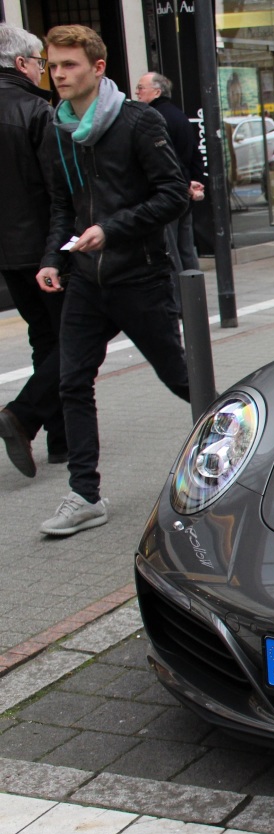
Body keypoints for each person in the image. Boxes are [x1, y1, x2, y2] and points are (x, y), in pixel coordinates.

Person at [36, 24, 189, 536]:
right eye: (53, 65)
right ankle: (84, 495)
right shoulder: (57, 128)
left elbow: (171, 193)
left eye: (69, 65)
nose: (59, 74)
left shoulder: (136, 121)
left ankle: (252, 455)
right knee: (71, 381)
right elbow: (63, 206)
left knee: (182, 378)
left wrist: (112, 229)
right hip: (85, 280)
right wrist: (52, 258)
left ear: (97, 68)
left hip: (139, 276)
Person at [0, 22, 66, 479]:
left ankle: (61, 441)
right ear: (22, 63)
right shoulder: (37, 111)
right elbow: (57, 191)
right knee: (77, 340)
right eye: (42, 62)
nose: (46, 71)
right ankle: (22, 415)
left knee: (45, 338)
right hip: (45, 250)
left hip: (7, 255)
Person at [134, 71, 203, 305]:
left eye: (141, 87)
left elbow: (163, 159)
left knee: (170, 249)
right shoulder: (179, 116)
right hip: (184, 191)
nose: (137, 92)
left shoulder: (152, 117)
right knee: (186, 247)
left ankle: (179, 302)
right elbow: (193, 153)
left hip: (167, 193)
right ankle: (195, 298)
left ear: (157, 91)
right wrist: (193, 183)